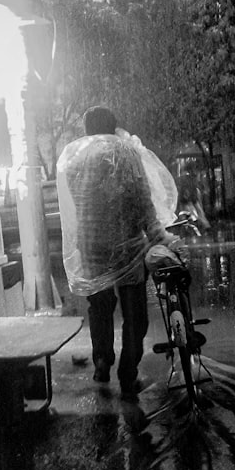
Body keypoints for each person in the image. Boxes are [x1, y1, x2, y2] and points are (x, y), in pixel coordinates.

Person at [56, 106, 180, 397]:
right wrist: (160, 236)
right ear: (114, 127)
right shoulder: (126, 153)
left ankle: (101, 361)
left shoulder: (74, 159)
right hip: (127, 246)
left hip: (91, 245)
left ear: (87, 129)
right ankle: (128, 373)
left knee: (99, 308)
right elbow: (142, 200)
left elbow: (76, 207)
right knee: (134, 313)